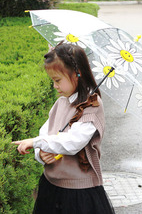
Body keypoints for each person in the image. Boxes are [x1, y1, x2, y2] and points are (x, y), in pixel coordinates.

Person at [12, 42, 115, 214]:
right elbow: (46, 131)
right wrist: (41, 154)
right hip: (51, 185)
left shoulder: (92, 107)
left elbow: (72, 142)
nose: (55, 86)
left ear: (77, 74)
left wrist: (37, 142)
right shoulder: (61, 103)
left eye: (57, 80)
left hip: (78, 192)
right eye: (53, 81)